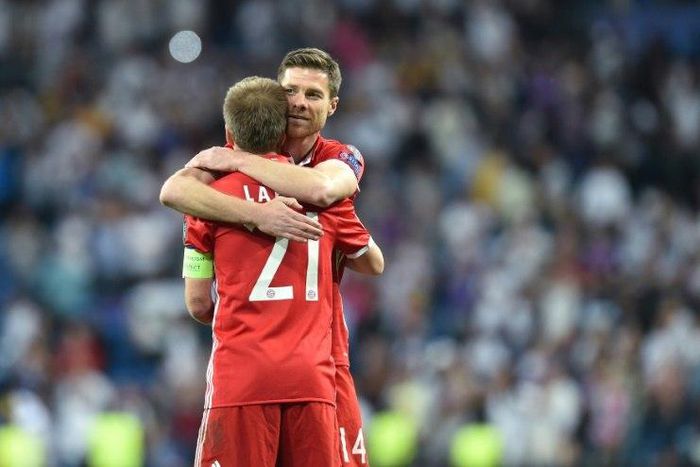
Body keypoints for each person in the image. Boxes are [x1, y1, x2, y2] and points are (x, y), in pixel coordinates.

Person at [161, 48, 379, 466]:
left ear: (333, 105)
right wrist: (260, 215)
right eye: (291, 91)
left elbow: (319, 188)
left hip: (312, 366)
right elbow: (172, 190)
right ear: (276, 99)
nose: (298, 102)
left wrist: (239, 161)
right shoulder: (329, 206)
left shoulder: (333, 161)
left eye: (313, 95)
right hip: (309, 371)